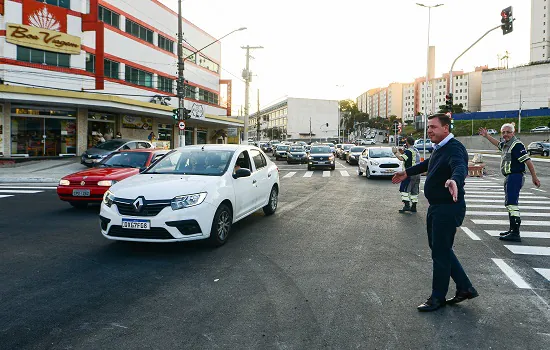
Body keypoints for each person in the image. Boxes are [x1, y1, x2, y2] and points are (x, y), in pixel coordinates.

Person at [392, 113, 477, 312]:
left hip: (447, 207)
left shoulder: (454, 148)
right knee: (441, 249)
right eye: (428, 127)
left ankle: (437, 298)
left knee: (440, 252)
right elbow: (428, 164)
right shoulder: (440, 148)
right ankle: (465, 287)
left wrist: (455, 180)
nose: (429, 130)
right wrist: (407, 172)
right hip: (437, 207)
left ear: (446, 128)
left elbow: (460, 166)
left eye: (433, 127)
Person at [479, 124, 541, 242]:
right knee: (509, 204)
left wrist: (534, 177)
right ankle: (512, 229)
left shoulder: (516, 145)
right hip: (509, 177)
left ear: (513, 132)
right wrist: (487, 136)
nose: (505, 134)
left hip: (515, 176)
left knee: (512, 204)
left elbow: (528, 161)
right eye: (503, 132)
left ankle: (515, 232)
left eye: (508, 132)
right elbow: (498, 144)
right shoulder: (507, 145)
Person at [392, 136, 421, 213]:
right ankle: (414, 206)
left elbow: (402, 158)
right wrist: (402, 152)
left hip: (409, 173)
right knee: (414, 190)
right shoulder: (416, 150)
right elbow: (410, 157)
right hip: (417, 173)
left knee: (404, 189)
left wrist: (395, 153)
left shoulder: (408, 151)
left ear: (407, 142)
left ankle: (407, 205)